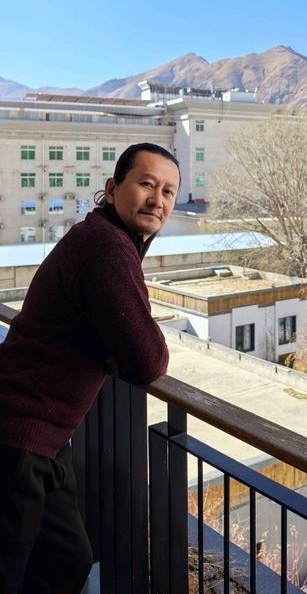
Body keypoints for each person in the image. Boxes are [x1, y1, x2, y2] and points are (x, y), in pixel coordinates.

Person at [0, 142, 181, 593]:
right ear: (112, 187)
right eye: (145, 183)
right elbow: (146, 360)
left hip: (46, 436)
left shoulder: (110, 241)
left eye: (169, 191)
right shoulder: (105, 246)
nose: (158, 199)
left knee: (68, 559)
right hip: (17, 435)